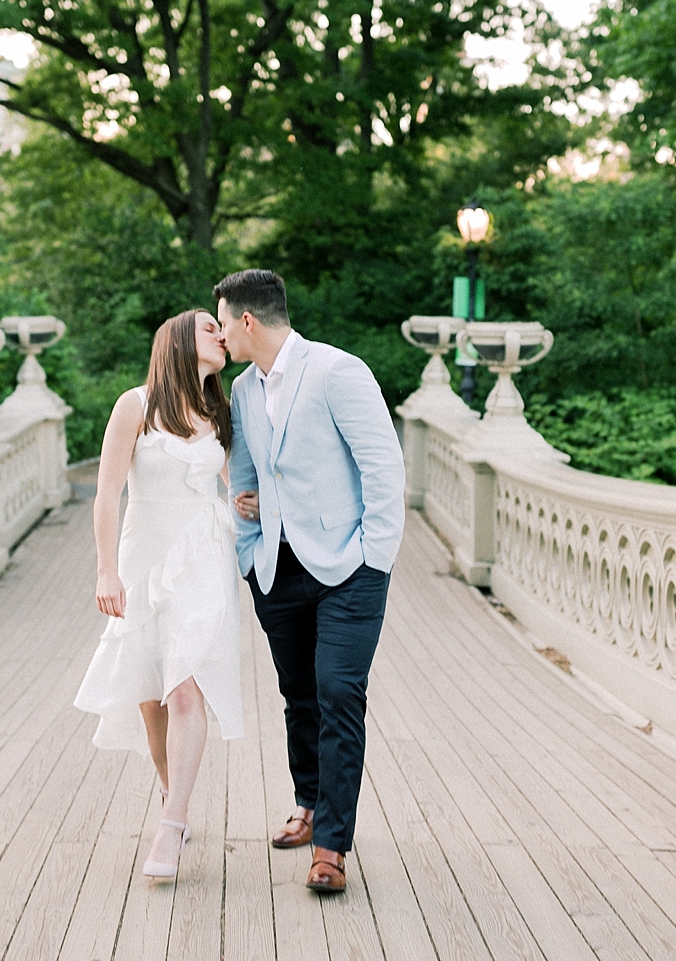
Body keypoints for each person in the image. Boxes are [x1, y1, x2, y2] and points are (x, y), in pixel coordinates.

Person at [215, 269, 406, 893]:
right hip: (275, 569)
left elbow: (383, 467)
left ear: (248, 320)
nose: (218, 333)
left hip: (349, 568)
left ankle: (331, 844)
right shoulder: (243, 389)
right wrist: (250, 547)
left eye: (222, 321)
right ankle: (306, 801)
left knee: (338, 693)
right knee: (299, 692)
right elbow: (243, 477)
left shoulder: (337, 372)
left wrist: (375, 559)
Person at [73, 309, 244, 881]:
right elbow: (106, 495)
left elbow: (235, 485)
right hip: (143, 558)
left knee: (185, 688)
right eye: (209, 329)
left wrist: (253, 505)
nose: (221, 336)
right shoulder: (135, 406)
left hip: (203, 560)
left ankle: (169, 828)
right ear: (176, 341)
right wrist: (106, 572)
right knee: (151, 694)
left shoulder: (223, 411)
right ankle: (174, 790)